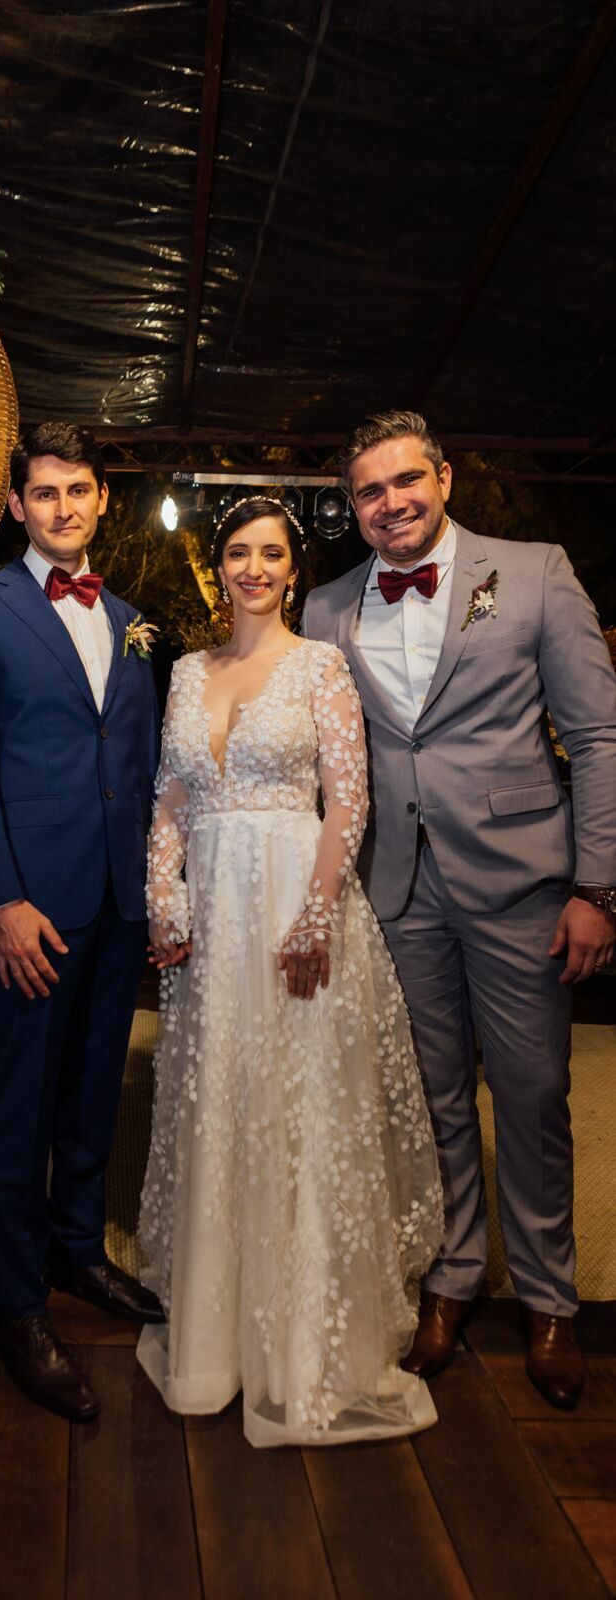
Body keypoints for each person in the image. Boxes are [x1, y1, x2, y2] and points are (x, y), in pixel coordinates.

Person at [304, 410, 616, 1411]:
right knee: (431, 1100)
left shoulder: (528, 573)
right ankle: (446, 1280)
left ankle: (547, 1298)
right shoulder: (325, 609)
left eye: (404, 480)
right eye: (367, 491)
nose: (388, 503)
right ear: (349, 506)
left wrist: (594, 886)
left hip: (521, 881)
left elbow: (598, 738)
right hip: (395, 886)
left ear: (440, 477)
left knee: (529, 1096)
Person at [138, 496, 444, 1447]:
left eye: (272, 553)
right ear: (217, 565)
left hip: (294, 907)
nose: (254, 568)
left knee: (298, 1108)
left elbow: (347, 805)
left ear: (292, 569)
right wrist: (161, 892)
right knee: (222, 1103)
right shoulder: (187, 672)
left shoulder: (321, 666)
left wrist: (314, 917)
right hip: (212, 918)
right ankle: (216, 1345)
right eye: (238, 551)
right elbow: (171, 802)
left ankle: (305, 1350)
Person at [0, 421, 164, 1422]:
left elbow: (144, 766)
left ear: (100, 499)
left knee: (90, 1093)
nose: (61, 507)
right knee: (17, 1104)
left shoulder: (132, 618)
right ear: (16, 506)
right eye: (43, 493)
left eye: (78, 490)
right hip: (29, 906)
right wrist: (0, 901)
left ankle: (77, 1252)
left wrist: (154, 893)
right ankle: (18, 1305)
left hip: (117, 903)